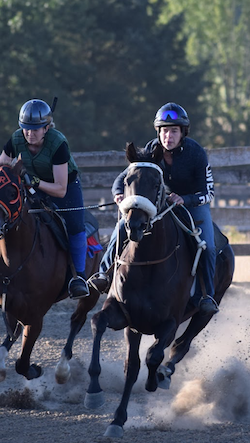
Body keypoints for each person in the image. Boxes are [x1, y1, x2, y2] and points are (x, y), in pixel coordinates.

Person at [89, 102, 219, 316]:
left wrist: (184, 199)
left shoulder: (196, 153)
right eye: (165, 131)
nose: (169, 136)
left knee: (208, 245)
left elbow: (209, 192)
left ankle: (207, 295)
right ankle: (103, 273)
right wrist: (117, 193)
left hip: (191, 204)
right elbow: (123, 178)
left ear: (183, 132)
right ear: (158, 132)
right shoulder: (150, 149)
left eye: (174, 131)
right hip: (157, 204)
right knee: (123, 225)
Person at [0, 99, 90, 299]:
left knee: (75, 225)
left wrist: (34, 181)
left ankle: (80, 278)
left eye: (36, 129)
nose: (29, 134)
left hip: (65, 189)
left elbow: (60, 189)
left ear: (47, 128)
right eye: (26, 129)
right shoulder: (15, 139)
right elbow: (0, 170)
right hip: (31, 185)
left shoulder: (58, 144)